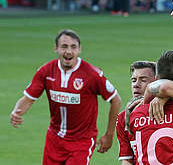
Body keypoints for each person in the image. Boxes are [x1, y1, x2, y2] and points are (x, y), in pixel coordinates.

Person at [10, 29, 122, 165]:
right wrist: (17, 111)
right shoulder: (45, 71)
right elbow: (28, 98)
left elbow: (116, 100)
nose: (68, 51)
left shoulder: (92, 74)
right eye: (64, 46)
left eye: (73, 47)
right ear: (56, 48)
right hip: (54, 139)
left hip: (81, 141)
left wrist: (109, 135)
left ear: (79, 49)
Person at [116, 61, 156, 165]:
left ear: (157, 83)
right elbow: (127, 160)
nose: (136, 85)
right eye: (133, 80)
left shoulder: (169, 113)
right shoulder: (123, 118)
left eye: (143, 80)